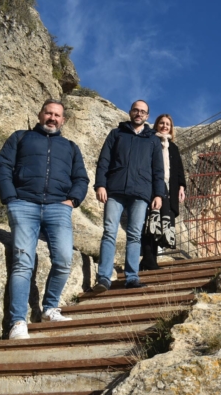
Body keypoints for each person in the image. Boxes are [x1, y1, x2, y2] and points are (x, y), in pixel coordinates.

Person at [0, 99, 89, 340]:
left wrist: (73, 201)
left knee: (64, 259)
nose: (52, 118)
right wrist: (10, 198)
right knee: (22, 263)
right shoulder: (20, 137)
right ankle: (17, 322)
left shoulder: (70, 147)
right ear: (40, 115)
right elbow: (3, 166)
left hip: (58, 208)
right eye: (48, 113)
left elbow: (81, 178)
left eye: (57, 115)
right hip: (24, 204)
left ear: (63, 120)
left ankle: (50, 308)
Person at [93, 100, 166, 292]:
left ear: (147, 116)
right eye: (136, 110)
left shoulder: (153, 140)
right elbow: (104, 161)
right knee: (109, 232)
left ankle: (132, 277)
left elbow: (158, 170)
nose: (139, 114)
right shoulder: (116, 134)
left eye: (143, 111)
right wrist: (100, 184)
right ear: (130, 112)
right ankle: (104, 278)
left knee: (134, 235)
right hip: (114, 190)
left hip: (141, 193)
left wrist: (158, 194)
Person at [139, 114, 186, 270]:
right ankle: (148, 259)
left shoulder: (173, 147)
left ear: (171, 128)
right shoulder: (150, 142)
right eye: (162, 123)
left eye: (168, 124)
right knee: (151, 221)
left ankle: (151, 260)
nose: (165, 126)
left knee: (162, 223)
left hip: (169, 188)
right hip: (152, 186)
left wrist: (181, 186)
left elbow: (178, 169)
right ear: (156, 125)